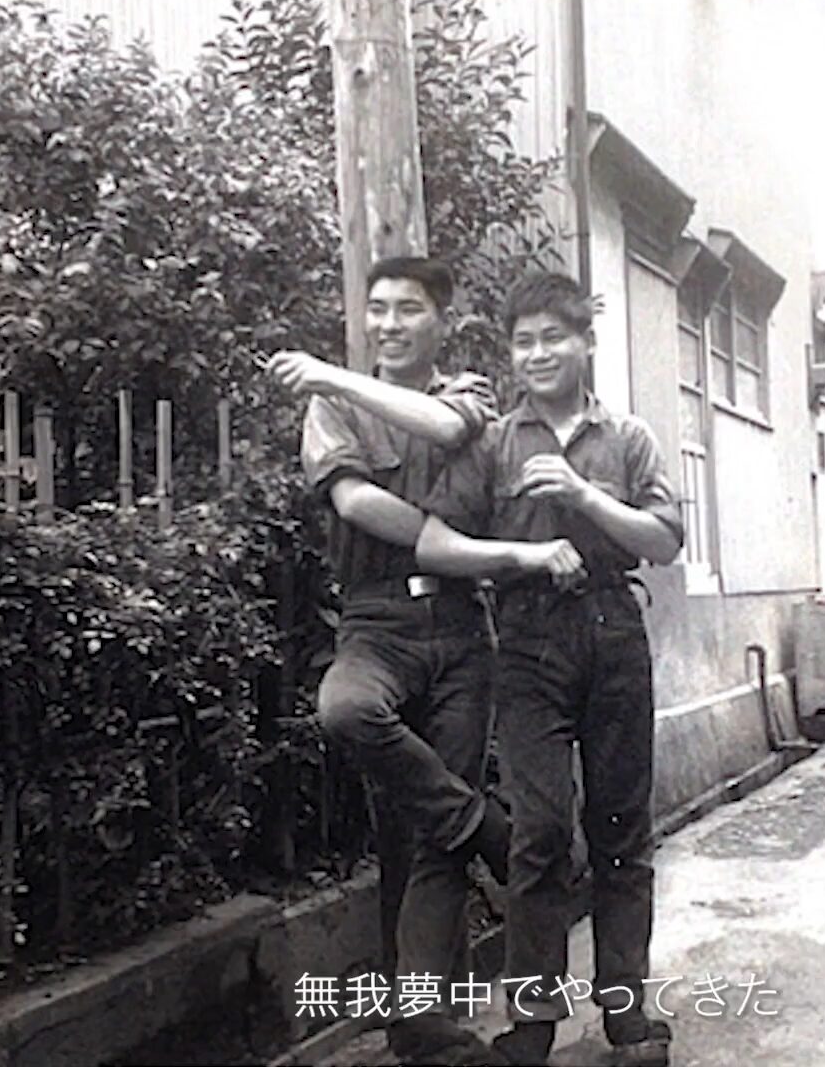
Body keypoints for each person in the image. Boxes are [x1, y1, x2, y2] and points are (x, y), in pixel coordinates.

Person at [266, 256, 576, 1066]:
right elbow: (354, 501)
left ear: (442, 321)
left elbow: (442, 428)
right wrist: (451, 542)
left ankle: (420, 1024)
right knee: (347, 710)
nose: (389, 325)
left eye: (408, 310)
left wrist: (328, 371)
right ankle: (483, 827)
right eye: (377, 310)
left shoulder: (464, 394)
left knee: (430, 841)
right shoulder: (333, 408)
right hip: (377, 622)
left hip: (461, 626)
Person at [416, 272, 683, 1067]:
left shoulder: (626, 438)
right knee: (538, 832)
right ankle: (531, 1024)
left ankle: (626, 1016)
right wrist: (523, 554)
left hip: (614, 631)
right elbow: (434, 544)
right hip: (529, 640)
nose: (537, 354)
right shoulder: (494, 443)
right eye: (523, 342)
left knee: (621, 830)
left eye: (552, 338)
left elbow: (665, 541)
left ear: (585, 344)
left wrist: (583, 497)